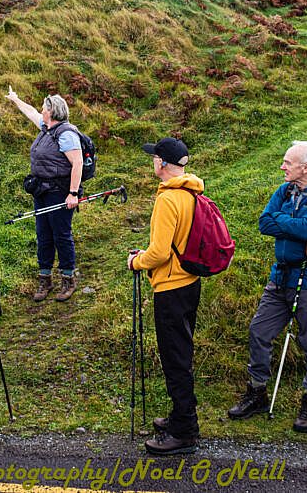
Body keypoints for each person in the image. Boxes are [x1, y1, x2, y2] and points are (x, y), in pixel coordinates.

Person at [228, 141, 307, 433]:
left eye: (287, 162)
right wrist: (297, 223)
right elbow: (264, 223)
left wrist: (300, 225)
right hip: (280, 276)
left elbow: (304, 227)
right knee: (259, 331)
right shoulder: (285, 191)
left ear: (306, 167)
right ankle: (257, 392)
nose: (282, 167)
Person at [129, 137, 205, 456]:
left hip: (171, 287)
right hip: (190, 281)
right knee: (182, 353)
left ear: (162, 163)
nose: (152, 163)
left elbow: (160, 253)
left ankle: (184, 430)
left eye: (154, 159)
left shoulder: (167, 199)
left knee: (174, 358)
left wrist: (137, 261)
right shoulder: (191, 192)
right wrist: (149, 253)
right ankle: (179, 416)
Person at [5, 87, 83, 302]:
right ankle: (45, 279)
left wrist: (73, 194)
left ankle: (68, 279)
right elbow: (30, 112)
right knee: (43, 235)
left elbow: (77, 163)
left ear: (52, 111)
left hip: (60, 193)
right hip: (42, 192)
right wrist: (16, 99)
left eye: (44, 108)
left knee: (61, 235)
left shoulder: (66, 134)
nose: (41, 110)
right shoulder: (46, 128)